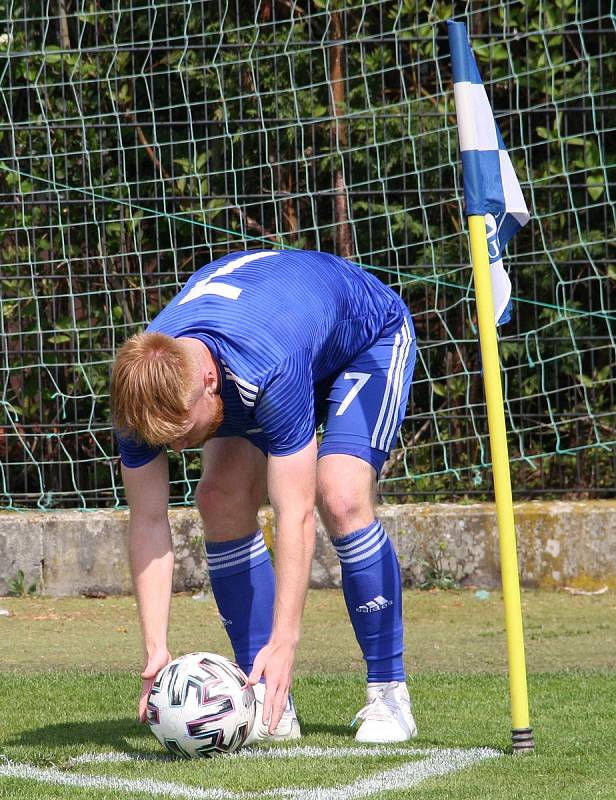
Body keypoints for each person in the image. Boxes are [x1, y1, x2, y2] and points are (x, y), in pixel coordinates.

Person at [111, 248, 418, 744]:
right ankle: (265, 695)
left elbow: (294, 513)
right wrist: (155, 647)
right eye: (162, 439)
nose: (174, 447)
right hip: (275, 336)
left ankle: (388, 692)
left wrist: (286, 642)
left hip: (365, 337)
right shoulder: (138, 398)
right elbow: (147, 519)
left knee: (338, 494)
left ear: (209, 383)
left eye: (181, 433)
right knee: (218, 498)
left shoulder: (265, 369)